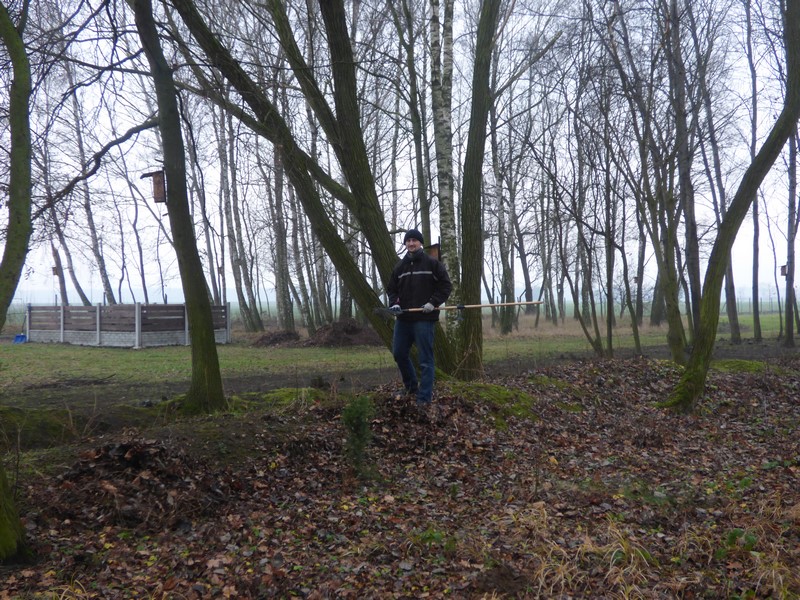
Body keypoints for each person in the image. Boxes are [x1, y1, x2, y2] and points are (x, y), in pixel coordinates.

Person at [386, 228, 452, 412]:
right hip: (404, 319)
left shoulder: (432, 264)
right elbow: (392, 289)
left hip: (424, 319)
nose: (411, 243)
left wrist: (433, 302)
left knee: (425, 359)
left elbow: (446, 286)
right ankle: (411, 387)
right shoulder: (400, 267)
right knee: (399, 353)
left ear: (420, 243)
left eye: (414, 240)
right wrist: (395, 303)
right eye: (408, 241)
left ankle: (424, 397)